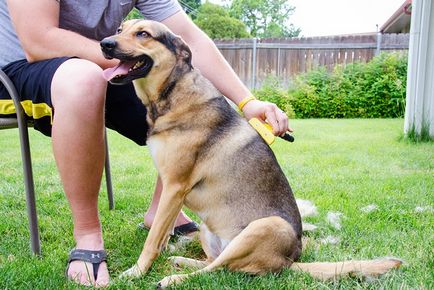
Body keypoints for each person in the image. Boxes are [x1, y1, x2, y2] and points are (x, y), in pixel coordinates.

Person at [0, 0, 290, 287]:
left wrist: (247, 101)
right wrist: (128, 51)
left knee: (196, 106)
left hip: (107, 64)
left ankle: (161, 213)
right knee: (85, 78)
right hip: (19, 70)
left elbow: (190, 40)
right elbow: (38, 40)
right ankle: (88, 235)